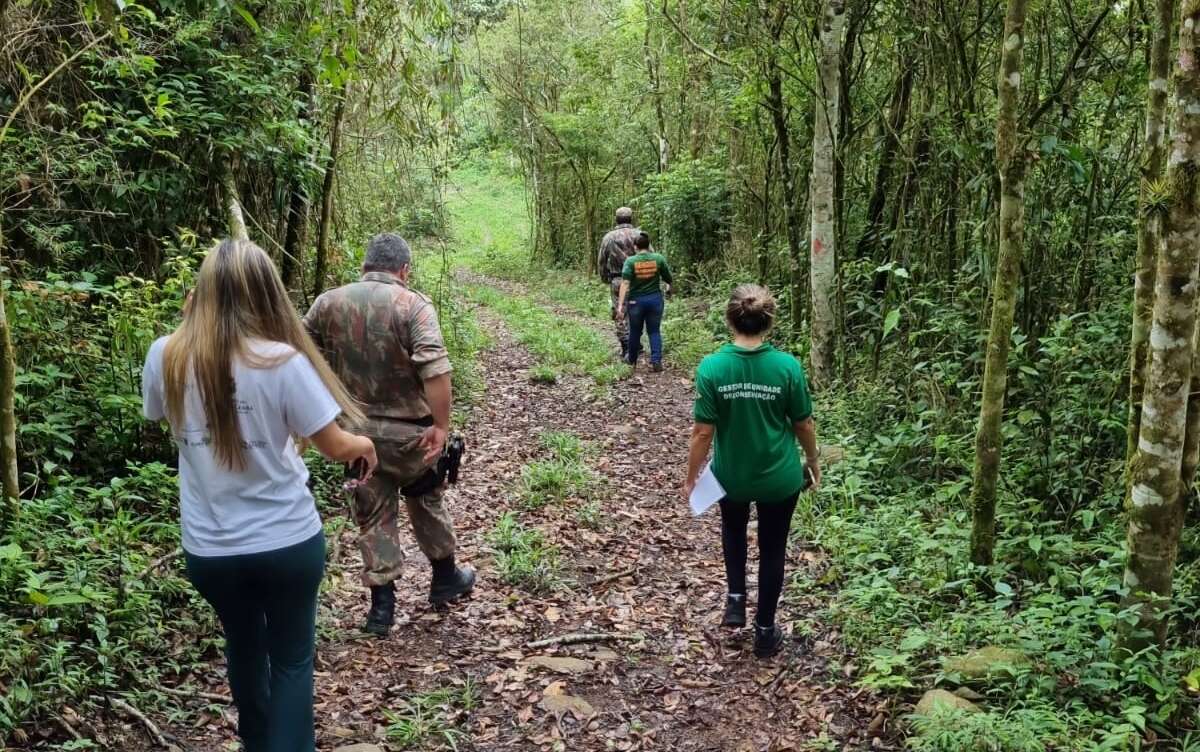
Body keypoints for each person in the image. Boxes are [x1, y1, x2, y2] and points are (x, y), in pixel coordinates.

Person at [142, 238, 378, 752]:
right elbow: (335, 445)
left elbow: (158, 415)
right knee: (292, 659)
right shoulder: (282, 361)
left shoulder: (167, 355)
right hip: (287, 542)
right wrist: (365, 444)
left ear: (201, 292)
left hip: (211, 549)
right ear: (266, 294)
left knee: (244, 646)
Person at [304, 232, 475, 636]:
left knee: (373, 513)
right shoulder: (412, 304)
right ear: (403, 270)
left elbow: (301, 361)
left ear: (364, 266)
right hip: (410, 434)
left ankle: (381, 608)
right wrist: (441, 427)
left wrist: (318, 419)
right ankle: (444, 578)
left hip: (355, 435)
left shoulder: (327, 303)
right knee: (426, 498)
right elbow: (435, 369)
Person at [683, 284, 821, 658]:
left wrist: (693, 476)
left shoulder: (713, 367)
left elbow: (702, 432)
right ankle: (764, 630)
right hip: (780, 477)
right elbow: (803, 424)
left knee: (732, 529)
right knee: (773, 549)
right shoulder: (786, 367)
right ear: (769, 322)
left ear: (729, 319)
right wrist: (812, 460)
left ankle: (735, 598)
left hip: (733, 475)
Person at [616, 231, 673, 372]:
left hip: (636, 302)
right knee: (654, 331)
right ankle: (656, 361)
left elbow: (625, 283)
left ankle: (632, 360)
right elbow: (668, 278)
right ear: (648, 246)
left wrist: (620, 305)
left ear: (635, 247)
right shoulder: (658, 259)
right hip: (655, 300)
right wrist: (669, 287)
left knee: (635, 331)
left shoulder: (630, 261)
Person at [597, 207, 641, 360]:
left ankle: (627, 345)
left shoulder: (609, 237)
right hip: (639, 279)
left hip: (618, 279)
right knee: (637, 310)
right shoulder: (640, 235)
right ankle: (636, 342)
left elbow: (602, 260)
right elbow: (650, 256)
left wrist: (604, 277)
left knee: (620, 311)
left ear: (616, 219)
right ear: (631, 218)